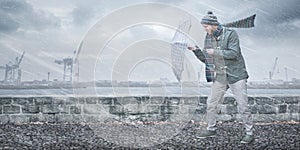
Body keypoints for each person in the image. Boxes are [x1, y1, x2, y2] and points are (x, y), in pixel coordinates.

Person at [188, 11, 254, 144]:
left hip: (237, 75)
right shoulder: (208, 37)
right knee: (211, 103)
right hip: (221, 76)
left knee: (243, 106)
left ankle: (249, 133)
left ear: (213, 25)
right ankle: (211, 129)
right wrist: (196, 50)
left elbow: (234, 53)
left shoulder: (231, 34)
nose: (205, 29)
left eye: (206, 27)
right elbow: (207, 59)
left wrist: (215, 52)